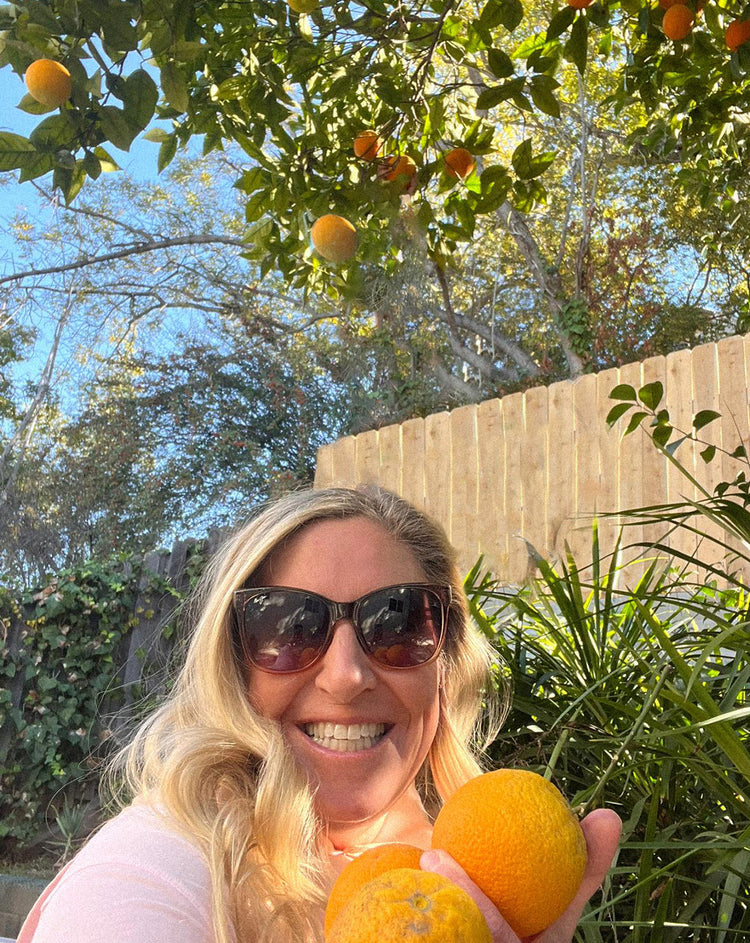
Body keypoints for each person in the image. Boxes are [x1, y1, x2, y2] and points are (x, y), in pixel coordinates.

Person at [19, 486, 621, 943]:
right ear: (236, 663)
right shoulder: (163, 859)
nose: (346, 674)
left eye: (397, 619)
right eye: (286, 625)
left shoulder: (479, 875)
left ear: (448, 658)